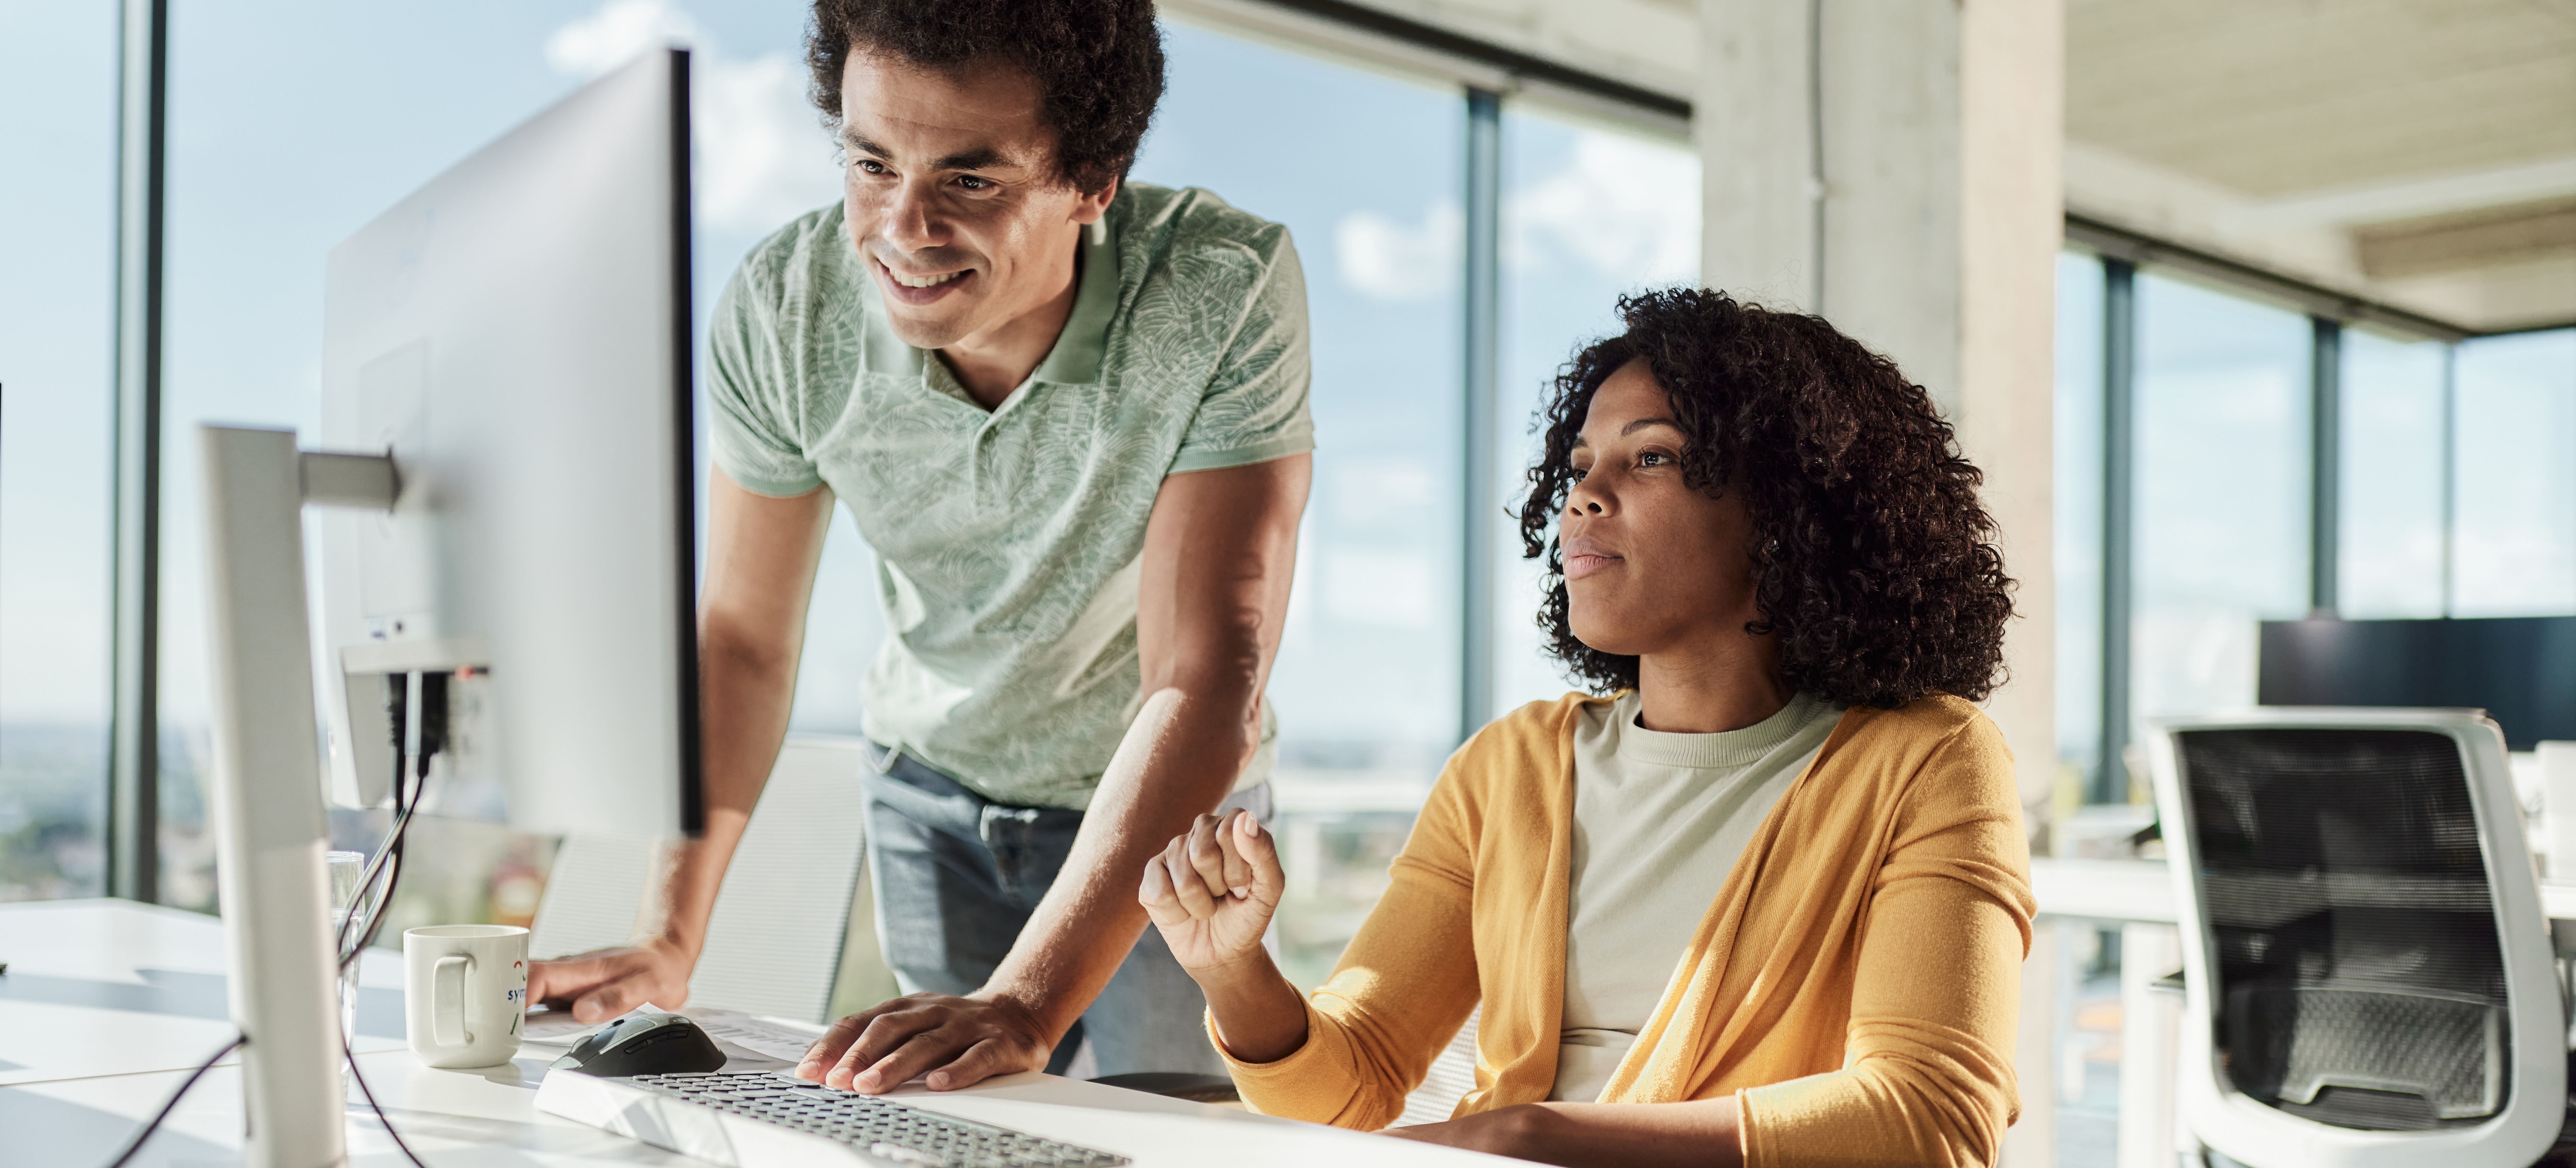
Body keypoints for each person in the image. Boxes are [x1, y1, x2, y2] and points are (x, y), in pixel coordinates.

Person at [528, 0, 1313, 1093]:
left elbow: (1205, 668)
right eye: (872, 164)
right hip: (930, 794)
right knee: (953, 1125)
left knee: (1171, 1132)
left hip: (1161, 814)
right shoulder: (786, 310)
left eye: (971, 180)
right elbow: (744, 640)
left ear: (1094, 181)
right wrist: (669, 932)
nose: (903, 228)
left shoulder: (1218, 285)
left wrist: (1028, 998)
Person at [1141, 289, 2031, 1166]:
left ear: (1787, 510)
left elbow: (1927, 1120)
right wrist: (1234, 973)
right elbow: (1354, 1083)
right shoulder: (1507, 768)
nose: (1584, 498)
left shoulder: (1929, 760)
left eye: (1651, 458)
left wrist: (1529, 1135)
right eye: (1580, 466)